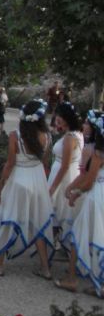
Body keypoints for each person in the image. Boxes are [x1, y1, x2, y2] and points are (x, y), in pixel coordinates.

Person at [0, 100, 54, 278]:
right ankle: (45, 268)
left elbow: (10, 164)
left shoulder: (16, 135)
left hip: (19, 180)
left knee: (8, 220)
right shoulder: (47, 136)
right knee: (38, 222)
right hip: (38, 181)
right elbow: (45, 162)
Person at [55, 110, 104, 297]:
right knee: (98, 236)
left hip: (97, 196)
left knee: (78, 235)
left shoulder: (98, 153)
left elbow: (89, 180)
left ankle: (71, 278)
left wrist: (76, 193)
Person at [48, 102, 83, 250]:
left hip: (64, 176)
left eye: (59, 117)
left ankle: (58, 240)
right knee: (62, 209)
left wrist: (53, 187)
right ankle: (61, 240)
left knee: (58, 207)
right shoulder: (77, 134)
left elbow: (65, 166)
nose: (57, 119)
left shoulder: (70, 137)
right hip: (69, 173)